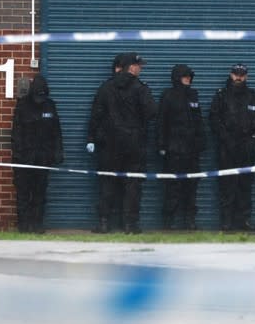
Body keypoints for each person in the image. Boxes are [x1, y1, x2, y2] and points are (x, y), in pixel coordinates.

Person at [94, 52, 157, 234]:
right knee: (133, 185)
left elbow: (96, 116)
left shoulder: (106, 88)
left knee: (107, 183)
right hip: (134, 145)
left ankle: (104, 223)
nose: (141, 68)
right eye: (139, 66)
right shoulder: (141, 88)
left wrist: (93, 139)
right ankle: (130, 225)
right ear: (131, 67)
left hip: (109, 145)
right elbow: (152, 112)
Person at [209, 63, 255, 232]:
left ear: (247, 76)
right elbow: (213, 119)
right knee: (227, 186)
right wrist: (226, 138)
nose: (238, 77)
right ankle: (226, 222)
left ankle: (244, 220)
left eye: (242, 74)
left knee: (245, 185)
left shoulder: (253, 96)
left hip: (247, 148)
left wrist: (253, 137)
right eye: (236, 74)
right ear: (231, 75)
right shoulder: (221, 96)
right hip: (227, 148)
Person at [10, 75, 64, 233]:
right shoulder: (22, 107)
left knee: (39, 194)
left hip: (43, 159)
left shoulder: (50, 106)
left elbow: (56, 132)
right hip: (24, 160)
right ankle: (24, 226)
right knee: (23, 194)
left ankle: (37, 225)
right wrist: (19, 156)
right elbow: (16, 134)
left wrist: (58, 152)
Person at [157, 64, 206, 230]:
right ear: (177, 77)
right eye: (185, 76)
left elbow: (198, 120)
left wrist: (201, 141)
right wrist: (162, 145)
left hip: (192, 150)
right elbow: (161, 122)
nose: (188, 79)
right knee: (172, 186)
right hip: (174, 149)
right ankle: (168, 221)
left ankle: (189, 220)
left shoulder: (193, 95)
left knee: (191, 186)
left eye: (190, 77)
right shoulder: (168, 96)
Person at [86, 53, 126, 232]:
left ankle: (114, 223)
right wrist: (92, 138)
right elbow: (96, 116)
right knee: (111, 186)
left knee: (117, 187)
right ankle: (113, 223)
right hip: (111, 146)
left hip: (118, 147)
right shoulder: (106, 89)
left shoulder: (108, 88)